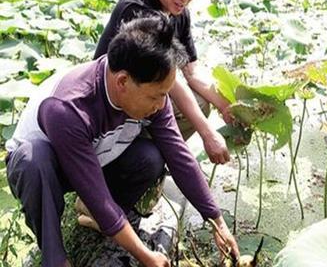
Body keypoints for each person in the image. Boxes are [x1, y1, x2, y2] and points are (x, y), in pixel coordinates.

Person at [6, 15, 239, 267]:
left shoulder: (146, 91)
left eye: (165, 95)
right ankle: (55, 258)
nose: (162, 105)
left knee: (150, 157)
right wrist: (146, 256)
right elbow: (95, 192)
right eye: (156, 96)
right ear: (122, 82)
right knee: (34, 159)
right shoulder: (68, 108)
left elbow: (179, 156)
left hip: (96, 155)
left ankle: (101, 220)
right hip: (51, 167)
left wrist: (217, 221)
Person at [94, 0, 232, 165]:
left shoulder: (179, 13)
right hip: (111, 108)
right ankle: (128, 161)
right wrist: (208, 133)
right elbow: (172, 81)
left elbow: (192, 72)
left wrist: (226, 106)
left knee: (201, 103)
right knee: (162, 145)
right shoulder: (136, 9)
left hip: (146, 98)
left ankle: (152, 156)